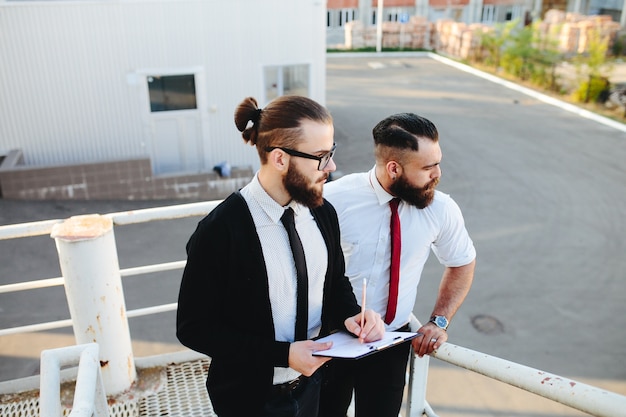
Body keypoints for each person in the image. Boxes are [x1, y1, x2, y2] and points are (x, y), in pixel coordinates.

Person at [176, 95, 385, 417]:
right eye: (320, 156)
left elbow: (334, 284)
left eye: (332, 153)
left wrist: (352, 315)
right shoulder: (220, 230)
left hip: (315, 385)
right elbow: (194, 327)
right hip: (249, 399)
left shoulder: (323, 212)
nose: (330, 167)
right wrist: (282, 354)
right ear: (279, 159)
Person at [319, 112, 476, 417]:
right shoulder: (333, 200)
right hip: (331, 337)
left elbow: (461, 263)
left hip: (391, 343)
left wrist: (439, 321)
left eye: (438, 163)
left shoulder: (442, 209)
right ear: (394, 168)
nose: (438, 174)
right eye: (428, 167)